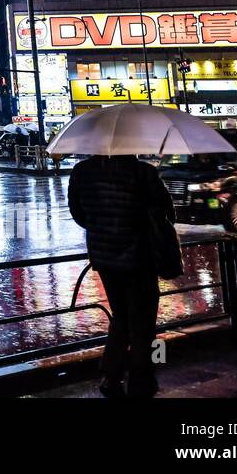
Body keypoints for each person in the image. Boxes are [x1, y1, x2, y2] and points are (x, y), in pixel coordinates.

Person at [67, 153, 174, 399]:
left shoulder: (82, 171)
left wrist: (102, 227)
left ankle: (111, 375)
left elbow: (78, 213)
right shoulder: (142, 171)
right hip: (139, 257)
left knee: (121, 316)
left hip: (103, 256)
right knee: (143, 320)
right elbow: (166, 209)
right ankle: (141, 379)